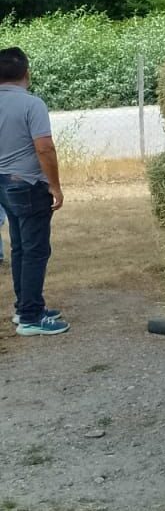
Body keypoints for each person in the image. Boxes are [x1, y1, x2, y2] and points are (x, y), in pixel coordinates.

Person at [0, 47, 68, 335]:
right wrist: (55, 185)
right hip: (27, 184)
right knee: (35, 250)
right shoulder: (32, 104)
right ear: (26, 73)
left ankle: (25, 307)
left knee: (19, 248)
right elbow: (45, 148)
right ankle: (31, 317)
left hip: (3, 183)